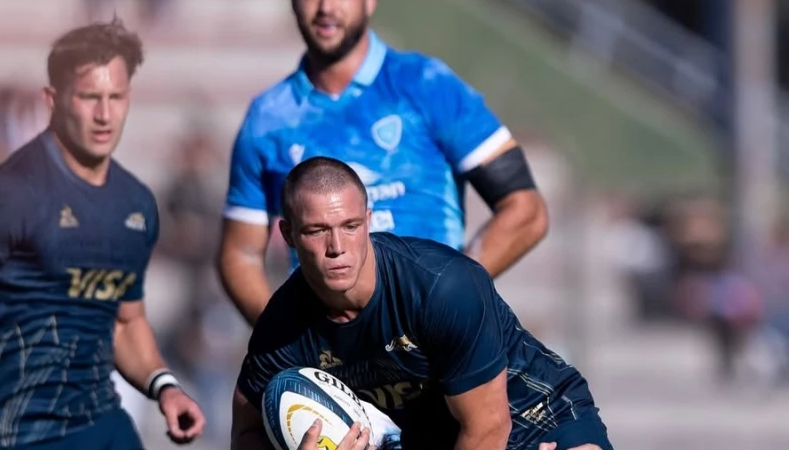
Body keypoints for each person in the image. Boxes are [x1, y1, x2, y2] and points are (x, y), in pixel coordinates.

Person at [218, 0, 548, 326]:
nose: (325, 7)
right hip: (336, 366)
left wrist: (447, 295)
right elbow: (239, 254)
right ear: (293, 0)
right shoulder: (268, 117)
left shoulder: (426, 85)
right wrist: (289, 336)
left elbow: (526, 210)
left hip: (435, 351)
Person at [0, 20, 206, 449]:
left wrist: (165, 387)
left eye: (114, 97)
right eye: (88, 97)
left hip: (106, 429)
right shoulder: (11, 193)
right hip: (18, 434)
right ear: (52, 100)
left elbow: (125, 320)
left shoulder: (135, 203)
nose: (104, 114)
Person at [230, 156, 612, 450]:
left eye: (349, 226)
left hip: (533, 419)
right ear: (289, 234)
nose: (337, 248)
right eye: (317, 231)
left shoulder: (442, 286)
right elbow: (247, 431)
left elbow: (488, 429)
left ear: (369, 220)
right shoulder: (281, 326)